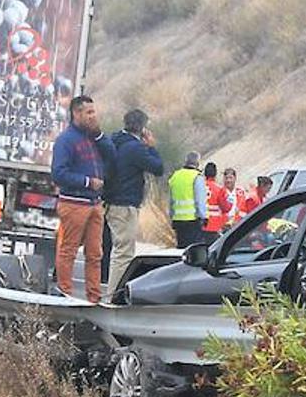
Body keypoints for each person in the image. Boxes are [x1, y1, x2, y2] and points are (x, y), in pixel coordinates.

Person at [49, 95, 115, 303]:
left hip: (95, 204)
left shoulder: (93, 138)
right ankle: (65, 294)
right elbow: (58, 173)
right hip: (74, 203)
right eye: (88, 112)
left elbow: (112, 155)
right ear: (76, 113)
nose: (93, 116)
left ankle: (93, 298)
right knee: (68, 250)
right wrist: (87, 182)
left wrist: (100, 135)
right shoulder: (66, 140)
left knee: (96, 253)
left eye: (93, 112)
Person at [106, 109, 164, 292]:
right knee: (123, 253)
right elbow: (158, 168)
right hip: (125, 204)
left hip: (109, 201)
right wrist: (152, 147)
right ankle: (113, 294)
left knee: (114, 249)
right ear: (142, 128)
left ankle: (109, 289)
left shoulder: (112, 141)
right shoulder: (135, 148)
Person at [168, 153, 208, 248]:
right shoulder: (197, 177)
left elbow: (171, 200)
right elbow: (199, 200)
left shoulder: (175, 176)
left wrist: (172, 216)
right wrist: (203, 216)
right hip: (192, 220)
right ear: (198, 162)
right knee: (193, 250)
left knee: (181, 249)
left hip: (178, 220)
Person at [202, 161, 233, 241]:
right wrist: (230, 203)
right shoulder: (219, 189)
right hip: (214, 225)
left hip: (200, 225)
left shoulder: (199, 187)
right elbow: (225, 208)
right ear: (215, 174)